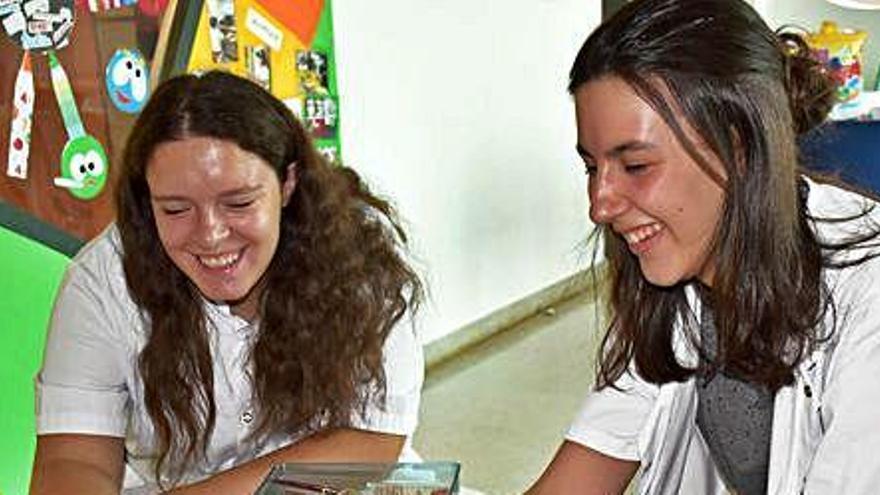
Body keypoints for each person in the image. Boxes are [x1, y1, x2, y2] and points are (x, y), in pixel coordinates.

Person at [527, 0, 880, 493]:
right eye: (592, 167)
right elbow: (580, 474)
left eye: (635, 167)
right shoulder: (675, 280)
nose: (600, 206)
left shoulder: (869, 299)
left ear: (738, 148)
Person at [30, 70, 425, 494]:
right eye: (176, 210)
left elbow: (372, 441)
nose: (211, 235)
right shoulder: (101, 282)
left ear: (287, 183)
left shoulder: (358, 251)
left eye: (238, 203)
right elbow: (72, 455)